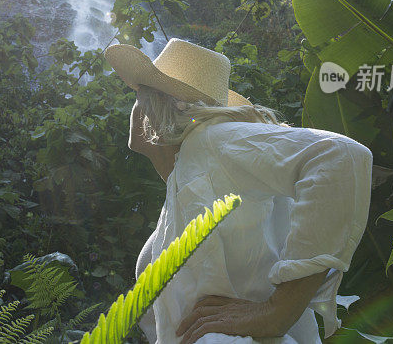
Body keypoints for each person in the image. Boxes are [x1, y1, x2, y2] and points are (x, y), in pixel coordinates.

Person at [104, 38, 373, 344]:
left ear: (156, 103)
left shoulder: (212, 141)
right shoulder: (189, 174)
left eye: (140, 91)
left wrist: (279, 310)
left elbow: (340, 155)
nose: (134, 101)